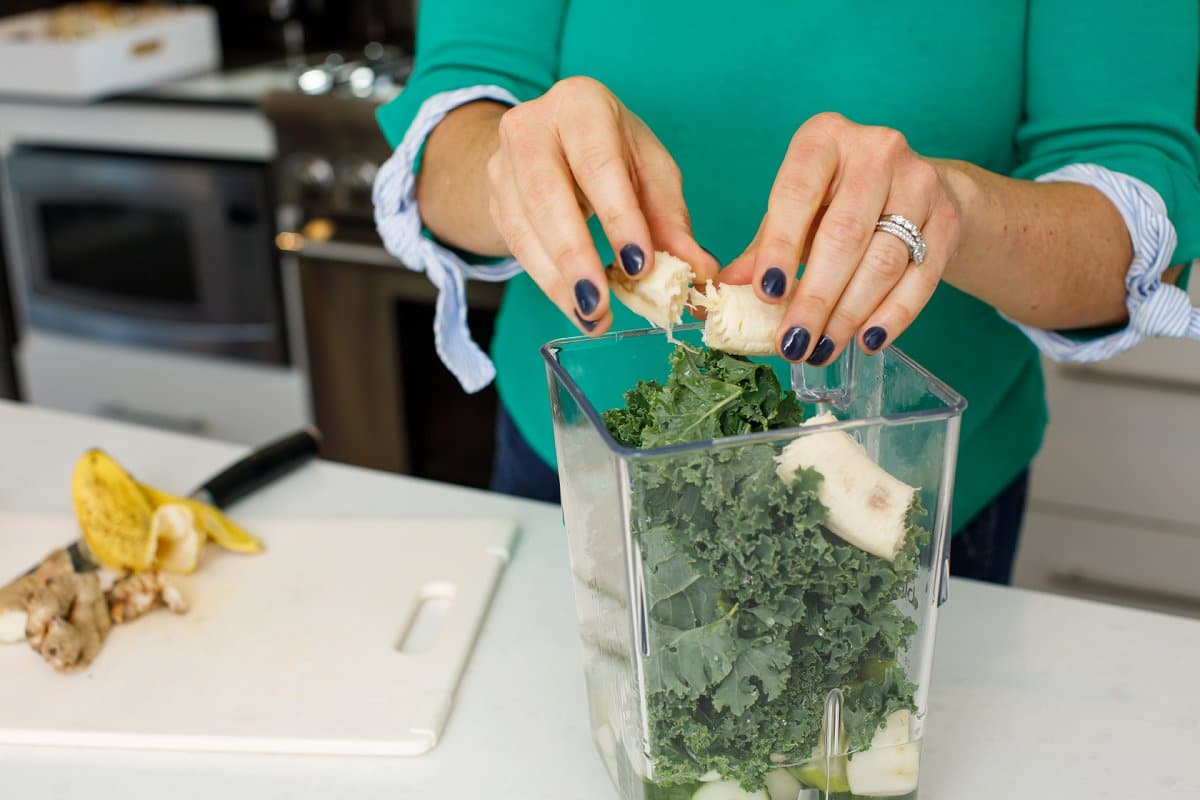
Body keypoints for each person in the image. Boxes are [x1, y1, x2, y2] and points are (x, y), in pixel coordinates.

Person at [373, 2, 1200, 586]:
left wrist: (958, 211)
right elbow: (453, 117)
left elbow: (1133, 199)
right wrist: (503, 160)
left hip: (901, 500)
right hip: (579, 472)